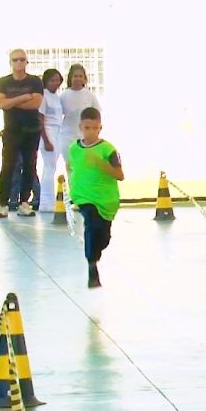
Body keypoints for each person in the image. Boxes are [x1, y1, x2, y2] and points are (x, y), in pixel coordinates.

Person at [67, 107, 123, 289]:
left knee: (103, 236)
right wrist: (73, 188)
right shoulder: (74, 148)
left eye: (94, 128)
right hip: (84, 198)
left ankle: (96, 253)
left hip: (105, 200)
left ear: (100, 128)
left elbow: (119, 174)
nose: (90, 131)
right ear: (80, 127)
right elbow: (71, 167)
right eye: (87, 127)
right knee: (90, 224)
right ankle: (92, 266)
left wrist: (101, 165)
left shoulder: (108, 150)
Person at [0, 49, 44, 218]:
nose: (19, 63)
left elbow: (36, 103)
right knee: (7, 167)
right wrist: (23, 98)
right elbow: (1, 103)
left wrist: (12, 102)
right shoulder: (3, 82)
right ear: (10, 62)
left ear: (26, 62)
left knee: (30, 166)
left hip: (31, 130)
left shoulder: (35, 81)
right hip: (11, 131)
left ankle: (24, 202)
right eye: (15, 60)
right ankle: (3, 204)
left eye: (22, 59)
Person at [38, 69, 65, 212]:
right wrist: (46, 140)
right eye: (52, 80)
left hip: (57, 132)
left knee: (52, 167)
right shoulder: (44, 96)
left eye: (57, 80)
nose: (55, 83)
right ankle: (45, 203)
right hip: (48, 132)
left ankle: (50, 201)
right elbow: (40, 119)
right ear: (46, 81)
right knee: (48, 168)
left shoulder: (57, 97)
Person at [60, 64, 102, 144]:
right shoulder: (64, 96)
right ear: (70, 78)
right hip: (67, 137)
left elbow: (97, 113)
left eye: (80, 76)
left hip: (85, 138)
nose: (78, 79)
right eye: (75, 76)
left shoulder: (89, 95)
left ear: (84, 78)